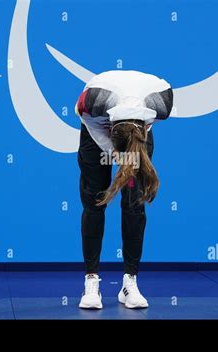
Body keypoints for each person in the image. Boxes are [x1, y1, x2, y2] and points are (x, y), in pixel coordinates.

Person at [75, 70, 173, 309]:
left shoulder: (161, 105)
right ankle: (91, 283)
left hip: (138, 134)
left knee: (134, 204)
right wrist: (116, 154)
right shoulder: (92, 102)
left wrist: (132, 157)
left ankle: (130, 283)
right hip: (95, 130)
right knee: (95, 201)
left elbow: (144, 131)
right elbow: (82, 115)